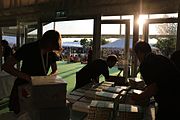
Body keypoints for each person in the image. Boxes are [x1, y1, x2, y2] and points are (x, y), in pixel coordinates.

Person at [1, 30, 63, 114]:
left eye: (53, 48)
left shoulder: (51, 53)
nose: (51, 50)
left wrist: (51, 76)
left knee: (37, 113)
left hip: (39, 88)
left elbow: (55, 70)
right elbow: (6, 66)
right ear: (46, 41)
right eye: (51, 47)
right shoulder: (28, 48)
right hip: (23, 86)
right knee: (22, 114)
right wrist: (27, 77)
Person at [132, 41, 180, 120]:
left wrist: (138, 97)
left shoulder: (145, 64)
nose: (138, 58)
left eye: (137, 55)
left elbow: (153, 89)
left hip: (169, 104)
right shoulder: (162, 58)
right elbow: (161, 81)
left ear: (140, 52)